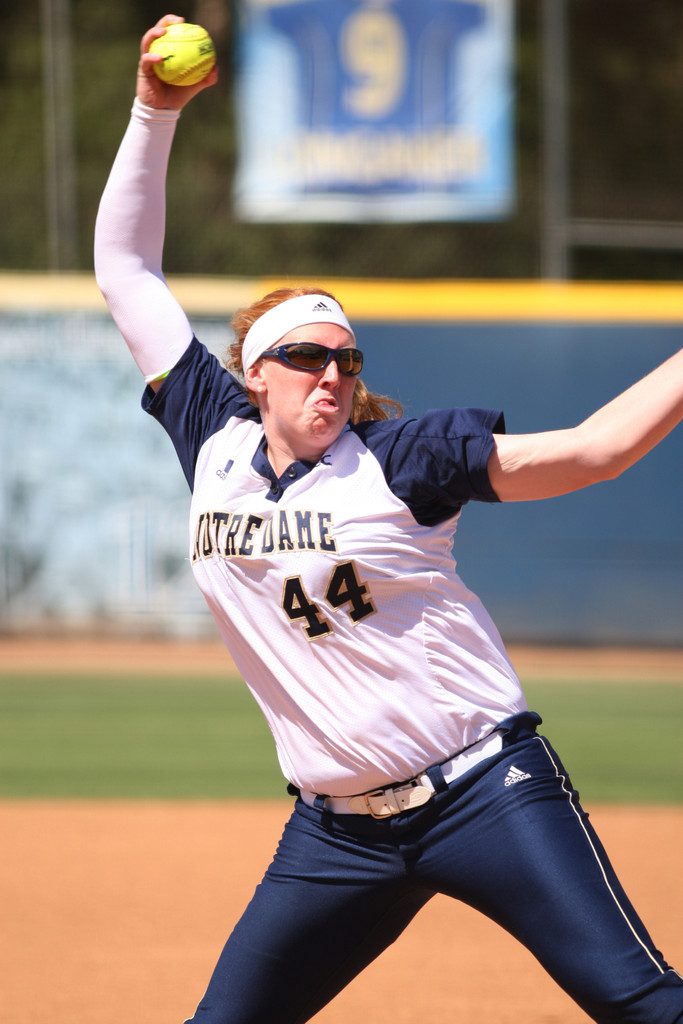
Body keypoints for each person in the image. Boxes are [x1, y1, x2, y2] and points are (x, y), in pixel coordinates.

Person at [94, 15, 683, 1024]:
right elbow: (126, 270)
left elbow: (592, 450)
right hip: (335, 836)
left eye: (347, 360)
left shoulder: (402, 460)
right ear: (256, 375)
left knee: (640, 1004)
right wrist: (154, 109)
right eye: (308, 358)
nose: (332, 375)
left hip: (484, 792)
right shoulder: (212, 433)